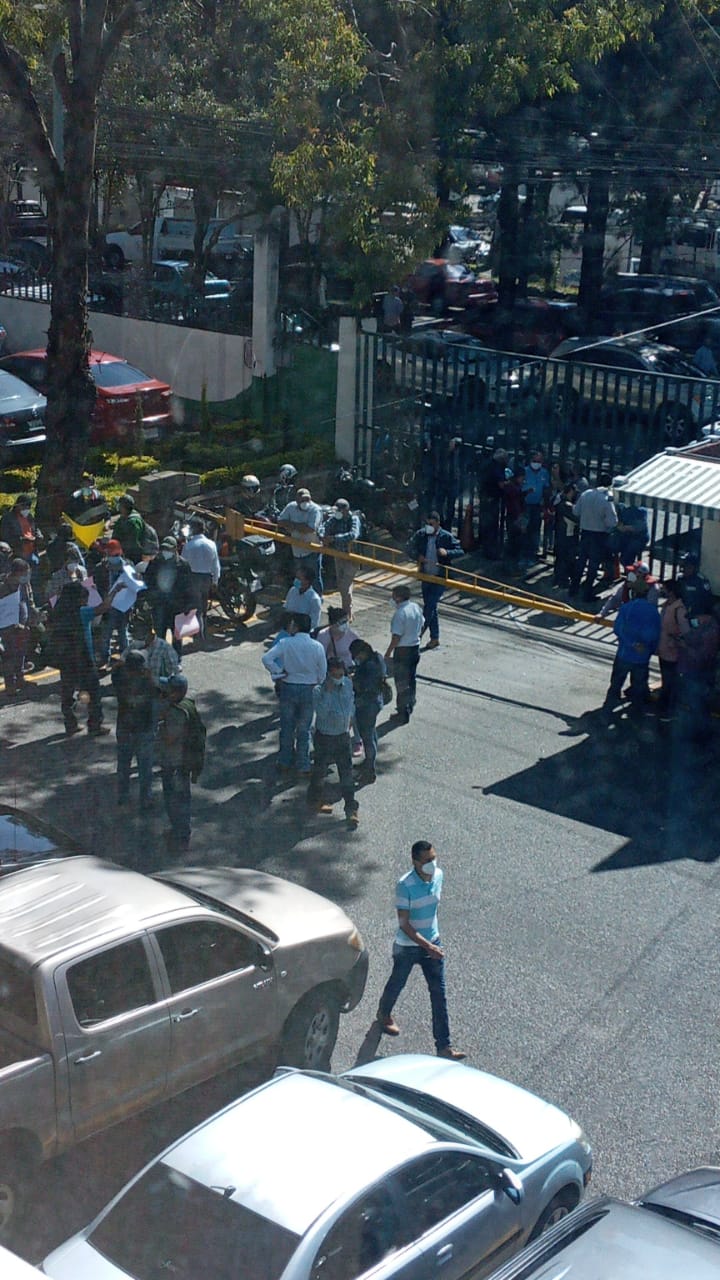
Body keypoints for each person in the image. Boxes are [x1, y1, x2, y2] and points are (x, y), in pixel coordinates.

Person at [376, 840, 465, 1060]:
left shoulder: (439, 876)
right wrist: (428, 946)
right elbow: (404, 924)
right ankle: (384, 1014)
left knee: (439, 994)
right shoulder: (404, 885)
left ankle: (444, 1047)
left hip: (432, 942)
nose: (432, 864)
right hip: (408, 947)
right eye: (426, 861)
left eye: (433, 858)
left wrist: (432, 941)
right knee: (397, 982)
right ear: (415, 862)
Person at [261, 613, 327, 774]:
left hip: (289, 686)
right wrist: (316, 680)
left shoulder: (285, 643)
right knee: (304, 729)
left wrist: (279, 672)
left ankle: (284, 760)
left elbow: (267, 659)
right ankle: (303, 764)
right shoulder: (317, 646)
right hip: (309, 689)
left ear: (295, 626)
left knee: (287, 726)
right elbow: (323, 671)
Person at [47, 579, 107, 737]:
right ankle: (95, 725)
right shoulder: (82, 612)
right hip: (84, 659)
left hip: (65, 660)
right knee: (93, 693)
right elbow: (103, 608)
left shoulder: (58, 612)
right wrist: (115, 591)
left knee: (67, 694)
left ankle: (70, 724)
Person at [306, 657, 359, 829]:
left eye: (341, 674)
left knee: (346, 774)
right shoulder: (318, 691)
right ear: (328, 675)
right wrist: (328, 693)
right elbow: (321, 712)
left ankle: (351, 809)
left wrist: (350, 718)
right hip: (325, 736)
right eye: (335, 675)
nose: (339, 678)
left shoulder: (348, 684)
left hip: (342, 736)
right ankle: (314, 800)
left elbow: (351, 702)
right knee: (319, 771)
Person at [603, 577, 661, 714]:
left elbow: (619, 629)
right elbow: (656, 634)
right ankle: (636, 713)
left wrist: (632, 644)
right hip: (642, 658)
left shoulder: (627, 608)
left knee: (616, 684)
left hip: (625, 655)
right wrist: (648, 650)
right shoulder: (653, 612)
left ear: (633, 593)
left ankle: (607, 711)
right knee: (639, 687)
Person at [158, 672, 200, 850]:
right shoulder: (188, 705)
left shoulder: (176, 713)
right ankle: (182, 830)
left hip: (174, 762)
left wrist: (160, 727)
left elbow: (169, 738)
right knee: (183, 797)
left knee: (174, 799)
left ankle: (180, 834)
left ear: (175, 693)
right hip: (185, 759)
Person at [408, 511, 463, 649]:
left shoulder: (446, 536)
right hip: (426, 576)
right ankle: (435, 638)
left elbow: (460, 550)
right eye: (427, 524)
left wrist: (447, 553)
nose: (429, 527)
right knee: (432, 608)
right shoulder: (421, 535)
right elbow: (409, 547)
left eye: (431, 524)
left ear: (438, 524)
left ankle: (417, 636)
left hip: (439, 578)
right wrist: (417, 556)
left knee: (429, 608)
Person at [111, 649, 156, 808]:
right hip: (143, 729)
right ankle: (146, 798)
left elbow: (115, 670)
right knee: (145, 766)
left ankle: (123, 796)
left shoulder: (119, 678)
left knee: (124, 764)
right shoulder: (147, 683)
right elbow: (156, 691)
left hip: (124, 727)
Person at [144, 536, 195, 659]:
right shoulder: (154, 563)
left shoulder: (183, 564)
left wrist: (188, 605)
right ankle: (161, 658)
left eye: (168, 548)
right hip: (159, 605)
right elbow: (148, 582)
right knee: (160, 634)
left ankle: (176, 659)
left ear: (175, 549)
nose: (166, 551)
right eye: (164, 548)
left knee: (177, 636)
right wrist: (150, 599)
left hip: (177, 607)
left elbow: (188, 586)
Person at [570, 473, 618, 601]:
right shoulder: (606, 498)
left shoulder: (586, 494)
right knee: (593, 565)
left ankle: (573, 589)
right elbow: (612, 521)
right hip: (599, 535)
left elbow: (576, 511)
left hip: (585, 532)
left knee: (581, 561)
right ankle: (587, 593)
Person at [98, 540, 145, 670]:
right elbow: (98, 586)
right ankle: (104, 660)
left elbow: (137, 583)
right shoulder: (101, 568)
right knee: (106, 634)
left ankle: (126, 659)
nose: (114, 558)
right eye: (112, 555)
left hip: (125, 606)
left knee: (123, 634)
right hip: (108, 606)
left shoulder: (128, 566)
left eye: (116, 555)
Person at [674, 607, 720, 740]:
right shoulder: (704, 627)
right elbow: (693, 638)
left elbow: (701, 656)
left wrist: (685, 646)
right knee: (696, 704)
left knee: (699, 705)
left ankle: (701, 734)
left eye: (697, 617)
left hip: (700, 673)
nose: (696, 620)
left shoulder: (711, 632)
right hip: (695, 672)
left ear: (705, 615)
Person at [349, 637, 386, 784]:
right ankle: (369, 763)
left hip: (367, 705)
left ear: (363, 652)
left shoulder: (369, 666)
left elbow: (363, 686)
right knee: (371, 733)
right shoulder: (378, 658)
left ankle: (369, 769)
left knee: (367, 738)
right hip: (375, 702)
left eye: (356, 656)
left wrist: (353, 680)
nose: (355, 659)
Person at [385, 584, 423, 723]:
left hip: (403, 651)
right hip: (415, 647)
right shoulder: (415, 607)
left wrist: (388, 653)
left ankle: (403, 711)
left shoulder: (400, 614)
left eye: (393, 596)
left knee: (401, 682)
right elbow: (422, 624)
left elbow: (396, 637)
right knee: (411, 678)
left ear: (398, 597)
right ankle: (411, 702)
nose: (392, 599)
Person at [180, 516, 220, 643]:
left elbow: (183, 564)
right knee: (203, 608)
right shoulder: (211, 544)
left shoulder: (189, 546)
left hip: (193, 578)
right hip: (206, 578)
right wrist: (215, 581)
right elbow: (216, 565)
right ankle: (202, 633)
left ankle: (198, 635)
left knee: (194, 608)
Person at [0, 558, 34, 698]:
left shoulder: (24, 584)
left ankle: (20, 678)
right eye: (24, 573)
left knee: (21, 653)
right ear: (17, 573)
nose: (27, 576)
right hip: (7, 627)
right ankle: (10, 685)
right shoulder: (2, 586)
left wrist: (33, 616)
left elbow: (29, 600)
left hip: (23, 624)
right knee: (9, 655)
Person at [278, 486, 323, 592]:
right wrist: (299, 526)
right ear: (297, 500)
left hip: (312, 550)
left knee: (315, 578)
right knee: (299, 578)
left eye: (307, 499)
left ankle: (317, 602)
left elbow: (310, 528)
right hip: (297, 551)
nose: (305, 502)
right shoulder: (290, 507)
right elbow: (280, 521)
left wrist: (292, 525)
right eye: (302, 500)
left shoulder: (315, 510)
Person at [322, 499, 361, 619]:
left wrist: (334, 538)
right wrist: (323, 536)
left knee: (345, 585)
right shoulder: (335, 519)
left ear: (346, 510)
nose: (337, 513)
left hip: (352, 556)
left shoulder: (354, 519)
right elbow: (324, 526)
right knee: (342, 584)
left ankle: (346, 612)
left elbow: (353, 535)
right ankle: (348, 610)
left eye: (340, 510)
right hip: (338, 555)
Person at [657, 579, 686, 720]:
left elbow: (685, 633)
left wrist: (674, 641)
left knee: (670, 684)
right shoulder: (667, 606)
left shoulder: (679, 610)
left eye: (665, 589)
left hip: (672, 653)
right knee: (666, 681)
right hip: (663, 651)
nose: (662, 591)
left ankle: (668, 711)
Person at [521, 450, 551, 564]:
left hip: (537, 506)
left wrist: (546, 506)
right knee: (524, 531)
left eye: (539, 461)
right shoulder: (525, 471)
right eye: (535, 461)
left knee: (535, 531)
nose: (537, 463)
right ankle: (523, 555)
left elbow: (546, 489)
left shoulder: (544, 473)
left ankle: (531, 555)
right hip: (525, 505)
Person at [552, 482, 578, 588]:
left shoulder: (559, 503)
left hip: (560, 534)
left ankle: (558, 578)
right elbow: (575, 519)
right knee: (566, 558)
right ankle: (563, 579)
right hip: (567, 534)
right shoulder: (566, 506)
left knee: (560, 558)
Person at [0, 494, 40, 563]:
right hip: (16, 555)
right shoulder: (7, 518)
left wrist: (39, 535)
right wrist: (22, 540)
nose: (26, 509)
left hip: (32, 553)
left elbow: (35, 529)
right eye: (24, 506)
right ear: (18, 505)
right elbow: (5, 537)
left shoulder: (29, 517)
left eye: (28, 507)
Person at [317, 606, 359, 670]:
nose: (346, 624)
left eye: (347, 621)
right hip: (331, 671)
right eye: (343, 622)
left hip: (348, 669)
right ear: (333, 624)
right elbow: (319, 657)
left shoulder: (352, 635)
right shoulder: (323, 635)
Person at [283, 565, 322, 631]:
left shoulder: (314, 599)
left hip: (303, 632)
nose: (296, 580)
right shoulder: (292, 590)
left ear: (307, 581)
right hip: (288, 628)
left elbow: (314, 623)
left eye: (299, 578)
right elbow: (286, 609)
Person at [501, 466, 527, 564]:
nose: (523, 480)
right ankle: (510, 566)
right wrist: (521, 521)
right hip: (515, 518)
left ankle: (509, 564)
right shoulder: (513, 488)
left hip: (513, 517)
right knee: (514, 543)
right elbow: (515, 505)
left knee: (513, 541)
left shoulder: (513, 487)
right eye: (522, 478)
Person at [676, 552, 713, 619]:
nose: (683, 568)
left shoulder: (701, 581)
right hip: (681, 613)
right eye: (683, 565)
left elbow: (707, 601)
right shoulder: (680, 579)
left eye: (686, 566)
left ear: (693, 567)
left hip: (697, 615)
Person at [112, 494, 145, 564]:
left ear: (124, 507)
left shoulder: (132, 523)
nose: (118, 506)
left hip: (131, 556)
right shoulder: (125, 516)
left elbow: (132, 543)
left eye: (120, 505)